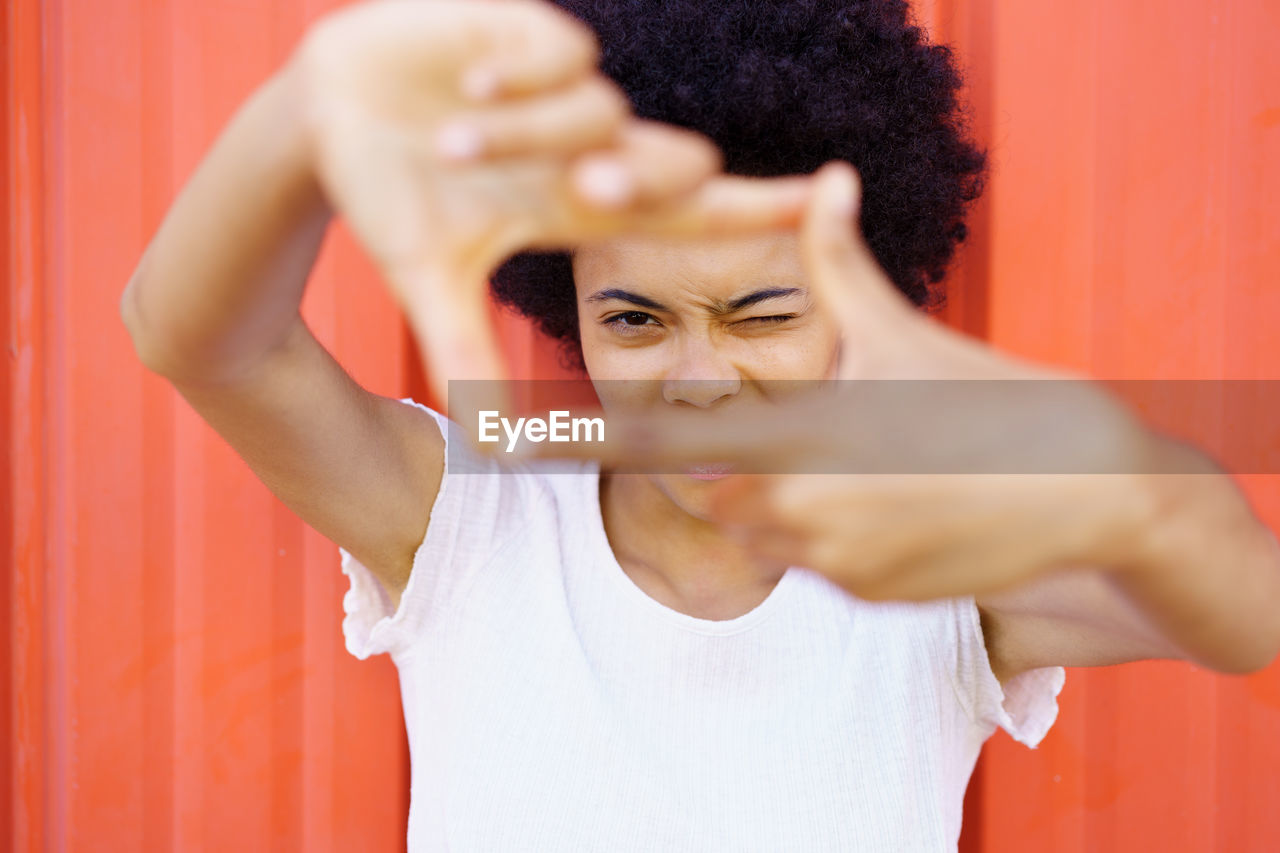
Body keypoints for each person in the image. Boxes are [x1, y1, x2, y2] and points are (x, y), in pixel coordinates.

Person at [121, 0, 1280, 849]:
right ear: (562, 306)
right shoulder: (469, 517)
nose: (696, 376)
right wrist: (308, 112)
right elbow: (197, 338)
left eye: (758, 314)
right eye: (633, 319)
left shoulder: (947, 568)